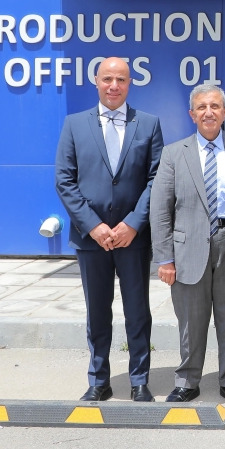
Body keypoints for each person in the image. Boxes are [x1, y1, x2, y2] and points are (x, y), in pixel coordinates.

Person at [55, 57, 164, 402]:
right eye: (107, 79)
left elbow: (157, 179)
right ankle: (98, 380)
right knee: (97, 312)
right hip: (92, 240)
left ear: (130, 83)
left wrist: (133, 223)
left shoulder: (148, 124)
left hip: (133, 238)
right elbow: (65, 181)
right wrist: (93, 226)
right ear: (96, 82)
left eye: (121, 79)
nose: (114, 85)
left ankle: (139, 380)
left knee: (137, 312)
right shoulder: (74, 124)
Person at [150, 85, 225, 409]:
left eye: (215, 106)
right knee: (190, 321)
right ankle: (187, 381)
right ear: (192, 114)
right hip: (187, 250)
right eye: (201, 107)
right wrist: (164, 258)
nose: (208, 112)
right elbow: (160, 209)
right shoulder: (173, 153)